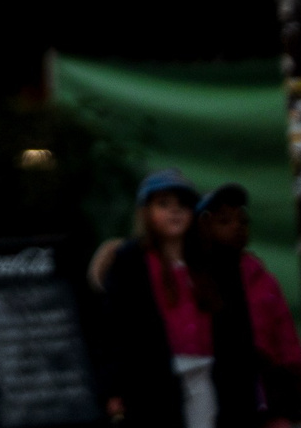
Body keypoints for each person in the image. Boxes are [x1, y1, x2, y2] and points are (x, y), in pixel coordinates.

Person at [92, 169, 260, 428]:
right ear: (146, 212)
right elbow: (114, 329)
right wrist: (113, 389)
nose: (175, 211)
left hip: (208, 375)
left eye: (183, 204)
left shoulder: (215, 261)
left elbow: (238, 329)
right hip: (153, 383)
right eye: (163, 204)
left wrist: (246, 388)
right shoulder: (131, 262)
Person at [198, 183, 301, 426]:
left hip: (268, 393)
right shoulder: (197, 278)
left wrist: (296, 388)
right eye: (225, 221)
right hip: (217, 396)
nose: (237, 226)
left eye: (242, 220)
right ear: (204, 227)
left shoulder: (261, 277)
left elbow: (286, 336)